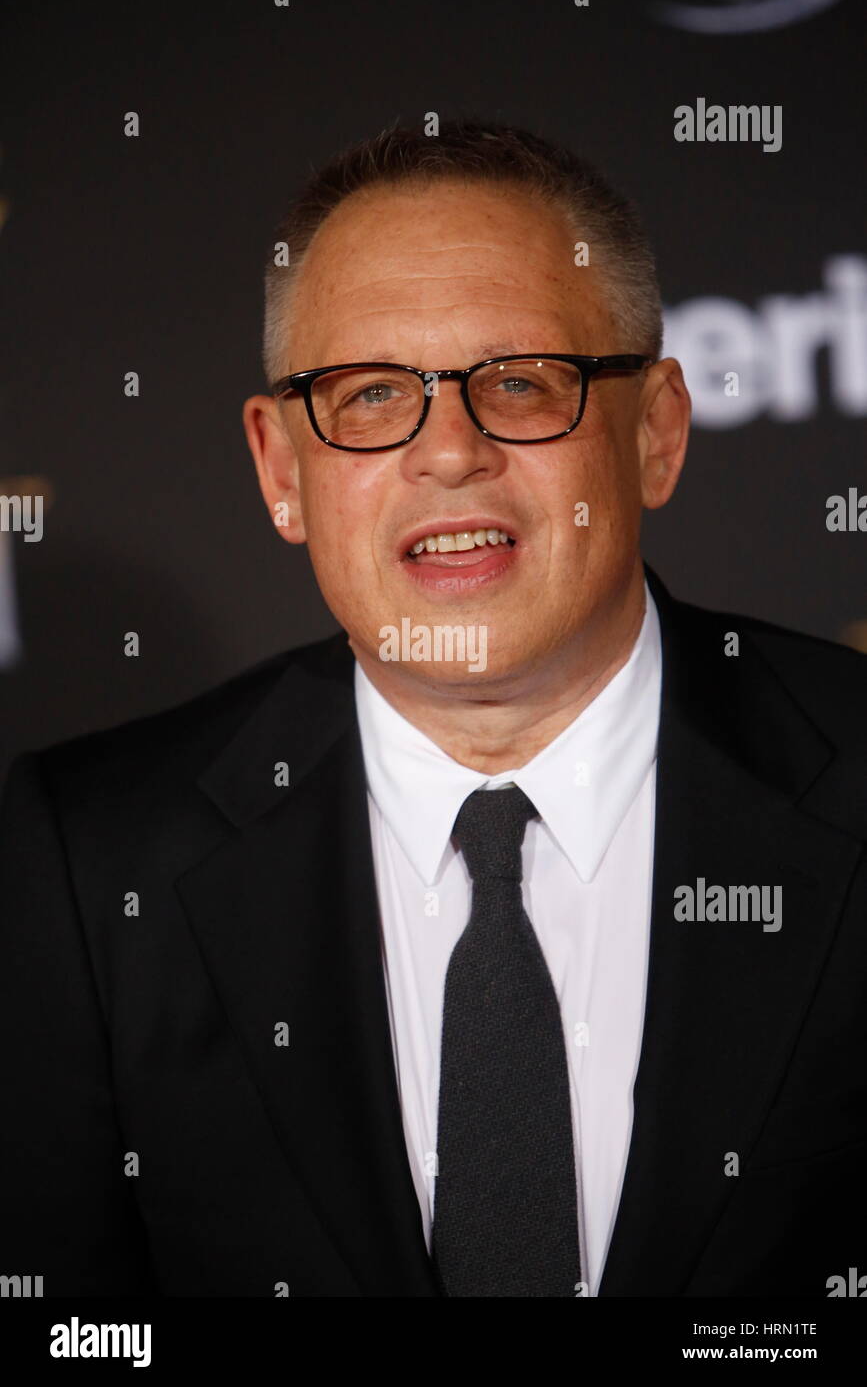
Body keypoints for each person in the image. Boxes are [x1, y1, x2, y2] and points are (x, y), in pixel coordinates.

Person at [1, 121, 864, 1298]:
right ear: (278, 472)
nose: (448, 452)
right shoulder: (89, 861)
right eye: (366, 396)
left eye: (519, 382)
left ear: (656, 430)